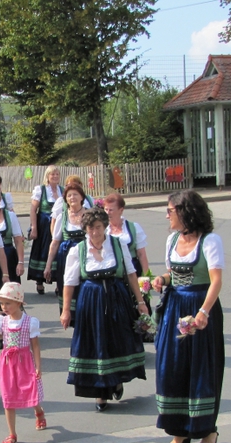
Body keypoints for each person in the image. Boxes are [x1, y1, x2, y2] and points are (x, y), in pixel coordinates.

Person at [151, 190, 224, 443]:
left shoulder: (210, 241)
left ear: (185, 211)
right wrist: (162, 279)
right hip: (175, 309)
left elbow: (216, 280)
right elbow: (173, 274)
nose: (167, 216)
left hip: (200, 308)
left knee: (201, 368)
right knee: (173, 367)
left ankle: (207, 430)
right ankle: (179, 431)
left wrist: (204, 311)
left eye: (170, 210)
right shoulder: (172, 240)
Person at [62, 208, 148, 411]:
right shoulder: (78, 250)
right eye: (90, 228)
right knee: (95, 345)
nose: (95, 232)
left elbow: (131, 274)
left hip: (117, 299)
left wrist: (140, 302)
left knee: (116, 341)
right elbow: (69, 282)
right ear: (85, 229)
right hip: (91, 302)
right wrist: (66, 310)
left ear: (105, 226)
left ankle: (116, 380)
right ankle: (100, 394)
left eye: (98, 227)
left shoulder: (118, 244)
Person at [0, 283, 45, 443]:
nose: (4, 307)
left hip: (25, 361)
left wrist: (38, 366)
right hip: (7, 363)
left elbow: (35, 346)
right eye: (2, 303)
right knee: (8, 398)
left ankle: (38, 411)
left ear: (19, 303)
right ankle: (12, 434)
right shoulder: (2, 321)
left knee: (30, 390)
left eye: (8, 303)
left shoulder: (29, 322)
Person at [103, 193, 153, 340]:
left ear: (121, 210)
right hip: (114, 270)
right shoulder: (104, 229)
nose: (107, 213)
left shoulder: (133, 227)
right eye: (106, 209)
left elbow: (142, 254)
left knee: (139, 299)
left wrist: (146, 277)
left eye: (111, 210)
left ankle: (143, 331)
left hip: (133, 267)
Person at [45, 182, 88, 322]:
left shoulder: (89, 215)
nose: (72, 198)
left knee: (84, 286)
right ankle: (70, 315)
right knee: (68, 285)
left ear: (82, 197)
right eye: (69, 195)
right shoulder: (62, 217)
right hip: (65, 258)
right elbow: (55, 242)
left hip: (86, 256)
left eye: (75, 194)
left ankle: (85, 317)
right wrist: (48, 265)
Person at [28, 166, 63, 294]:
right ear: (47, 176)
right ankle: (39, 280)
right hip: (43, 225)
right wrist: (34, 227)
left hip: (58, 224)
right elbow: (33, 210)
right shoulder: (41, 190)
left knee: (58, 252)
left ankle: (58, 282)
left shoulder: (62, 190)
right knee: (42, 251)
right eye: (52, 174)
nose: (55, 176)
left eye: (57, 174)